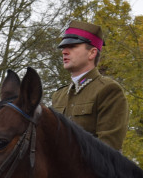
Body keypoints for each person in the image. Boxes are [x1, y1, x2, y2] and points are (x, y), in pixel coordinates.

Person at [50, 20, 129, 152]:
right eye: (63, 47)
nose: (64, 51)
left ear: (92, 53)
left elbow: (108, 150)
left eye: (73, 46)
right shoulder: (58, 96)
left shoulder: (108, 90)